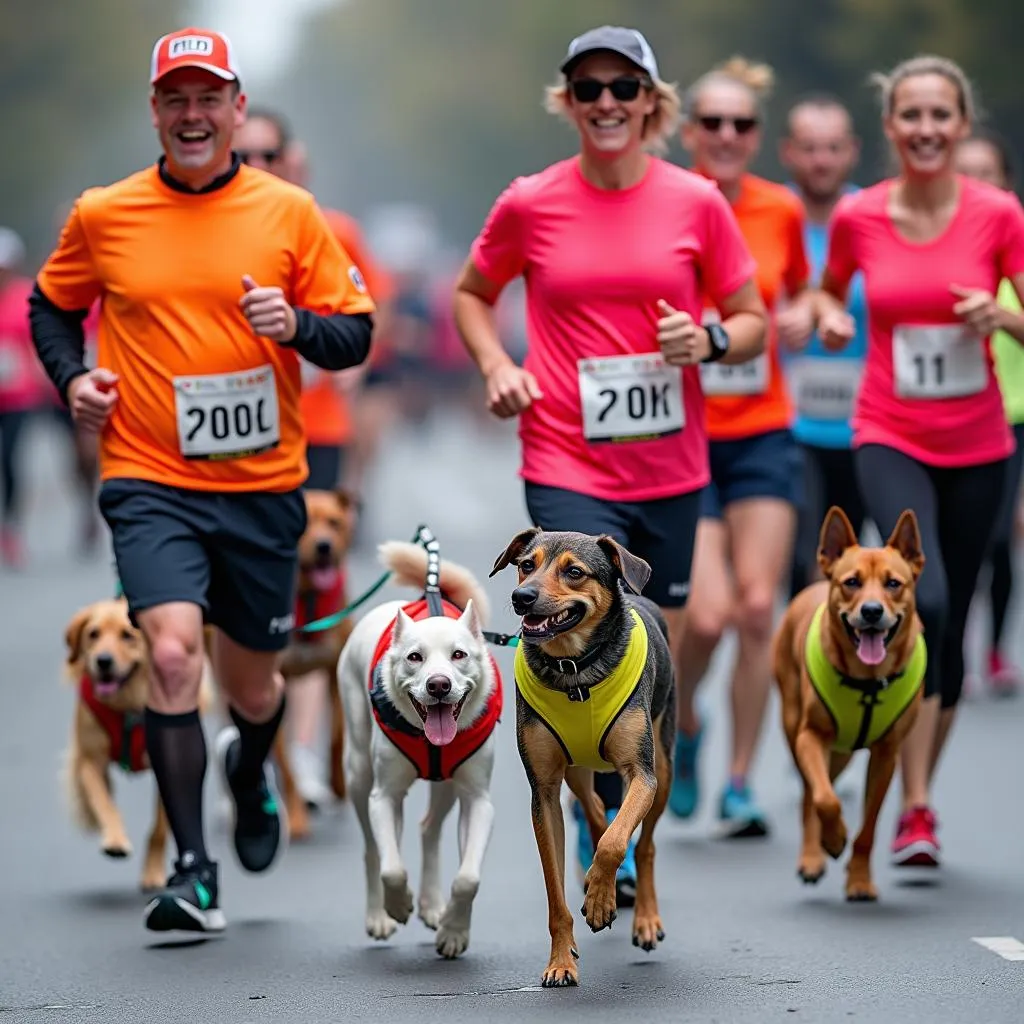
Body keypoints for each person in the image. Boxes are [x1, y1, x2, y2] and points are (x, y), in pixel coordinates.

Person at [29, 27, 375, 934]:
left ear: (236, 109)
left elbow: (355, 335)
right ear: (156, 111)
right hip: (148, 477)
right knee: (174, 655)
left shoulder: (288, 213)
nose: (192, 115)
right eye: (175, 99)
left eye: (207, 97)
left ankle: (250, 771)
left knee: (255, 690)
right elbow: (51, 306)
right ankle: (192, 870)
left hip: (262, 490)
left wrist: (294, 323)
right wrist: (73, 379)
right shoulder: (104, 214)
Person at [454, 25, 766, 903]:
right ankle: (610, 838)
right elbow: (473, 294)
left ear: (650, 102)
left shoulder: (698, 201)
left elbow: (749, 317)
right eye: (587, 89)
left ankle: (652, 762)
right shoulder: (531, 201)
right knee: (566, 633)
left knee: (643, 647)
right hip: (563, 449)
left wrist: (704, 337)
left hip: (670, 465)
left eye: (622, 89)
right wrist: (497, 365)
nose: (604, 104)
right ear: (568, 102)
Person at [818, 56, 1024, 867]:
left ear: (962, 123)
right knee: (925, 597)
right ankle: (905, 797)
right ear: (891, 126)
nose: (928, 129)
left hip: (980, 442)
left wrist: (1004, 315)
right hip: (888, 429)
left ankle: (917, 803)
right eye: (913, 115)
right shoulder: (861, 215)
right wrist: (831, 320)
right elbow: (828, 293)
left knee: (956, 610)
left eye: (942, 115)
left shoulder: (999, 214)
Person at [669, 57, 815, 837]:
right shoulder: (668, 202)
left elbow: (798, 289)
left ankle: (739, 782)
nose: (728, 136)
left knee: (761, 609)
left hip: (762, 428)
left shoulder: (781, 209)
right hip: (686, 433)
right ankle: (685, 723)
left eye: (743, 124)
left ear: (758, 136)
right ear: (689, 131)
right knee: (709, 616)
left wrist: (806, 312)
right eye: (713, 123)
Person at [232, 107, 392, 807]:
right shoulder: (206, 226)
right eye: (249, 155)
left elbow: (367, 313)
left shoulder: (329, 229)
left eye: (272, 155)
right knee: (249, 588)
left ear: (295, 161)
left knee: (313, 582)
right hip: (239, 436)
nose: (260, 167)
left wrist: (351, 361)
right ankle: (255, 730)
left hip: (316, 429)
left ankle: (298, 745)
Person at [779, 96, 872, 598]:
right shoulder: (772, 216)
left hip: (866, 424)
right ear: (789, 152)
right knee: (804, 565)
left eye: (833, 148)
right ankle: (803, 668)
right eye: (810, 148)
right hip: (792, 426)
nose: (822, 160)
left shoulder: (874, 216)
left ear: (852, 151)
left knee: (863, 564)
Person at [955, 129, 1024, 696]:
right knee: (967, 539)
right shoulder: (941, 247)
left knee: (1001, 539)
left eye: (988, 174)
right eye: (967, 173)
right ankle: (956, 643)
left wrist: (1001, 319)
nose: (977, 186)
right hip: (960, 417)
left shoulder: (1013, 248)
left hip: (1016, 415)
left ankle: (996, 648)